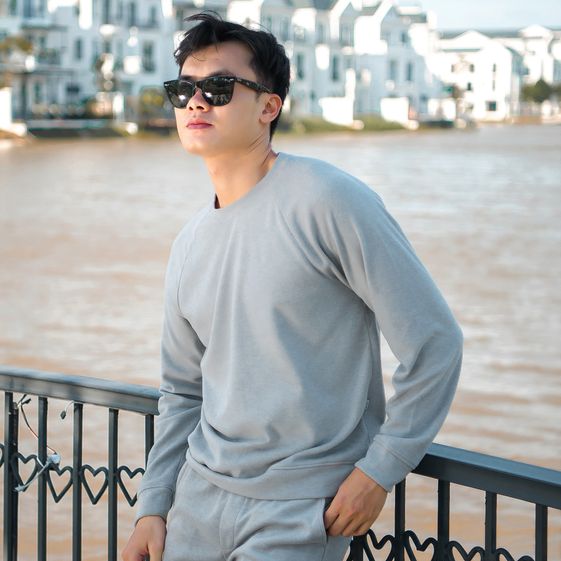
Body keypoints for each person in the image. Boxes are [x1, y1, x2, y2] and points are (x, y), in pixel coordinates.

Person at [122, 11, 463, 561]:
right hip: (195, 503)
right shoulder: (189, 242)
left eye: (219, 87)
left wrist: (380, 469)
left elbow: (434, 341)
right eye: (183, 89)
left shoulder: (329, 199)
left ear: (269, 106)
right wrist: (153, 505)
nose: (196, 102)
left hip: (300, 509)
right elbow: (183, 391)